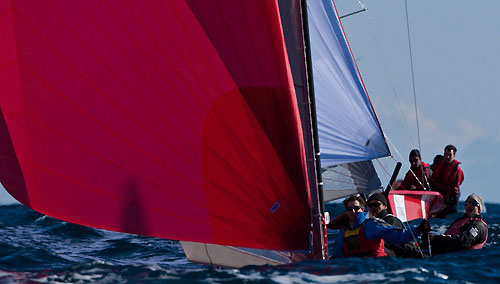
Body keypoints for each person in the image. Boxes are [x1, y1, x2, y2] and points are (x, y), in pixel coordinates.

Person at [331, 195, 427, 258]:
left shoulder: (371, 225)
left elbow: (398, 237)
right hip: (356, 268)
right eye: (349, 209)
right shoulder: (343, 232)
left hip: (377, 266)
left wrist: (419, 229)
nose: (352, 212)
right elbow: (338, 255)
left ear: (363, 209)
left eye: (356, 208)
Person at [367, 193, 423, 258]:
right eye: (370, 205)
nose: (373, 207)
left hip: (405, 257)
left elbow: (397, 239)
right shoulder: (373, 223)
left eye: (377, 205)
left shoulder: (390, 221)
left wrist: (418, 230)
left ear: (385, 206)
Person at [429, 145, 464, 217]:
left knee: (448, 214)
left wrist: (447, 200)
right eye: (446, 154)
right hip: (440, 194)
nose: (447, 157)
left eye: (450, 155)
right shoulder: (440, 166)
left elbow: (454, 189)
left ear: (454, 156)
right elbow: (433, 178)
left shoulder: (456, 170)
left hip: (450, 198)